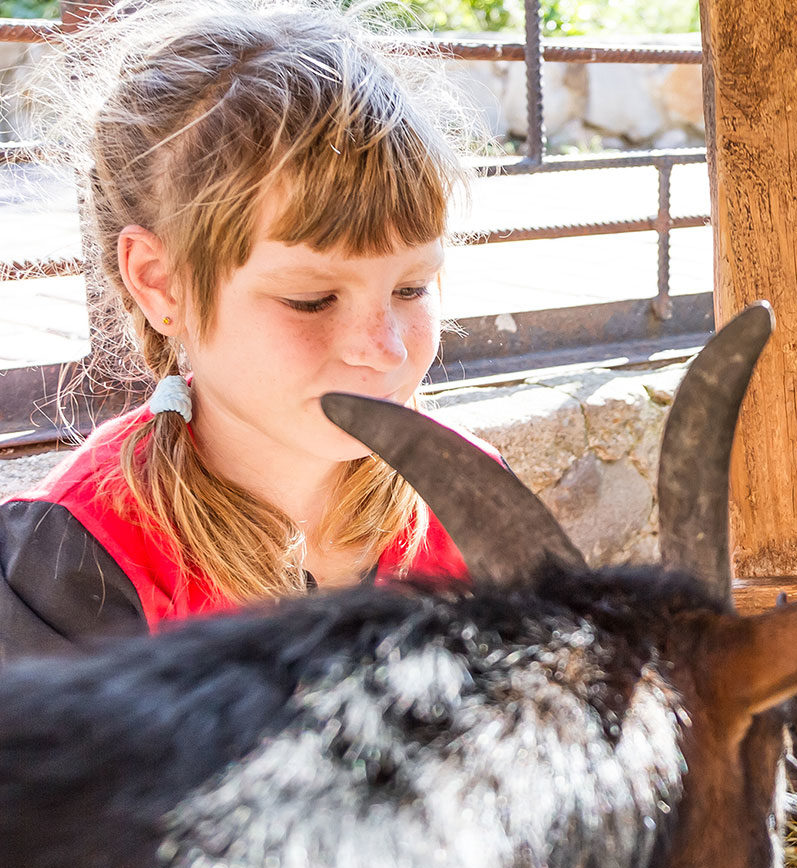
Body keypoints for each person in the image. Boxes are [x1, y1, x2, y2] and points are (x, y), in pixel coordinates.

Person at [0, 0, 484, 665]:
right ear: (161, 284)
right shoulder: (75, 564)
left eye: (410, 288)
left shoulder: (472, 499)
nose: (386, 348)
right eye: (311, 300)